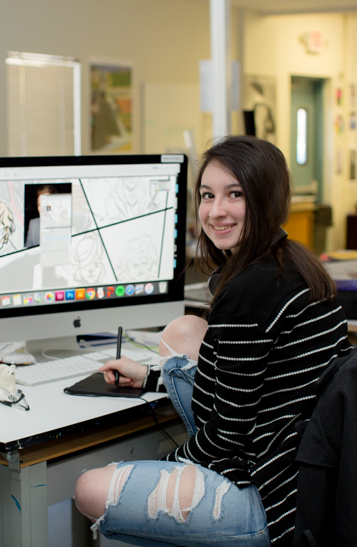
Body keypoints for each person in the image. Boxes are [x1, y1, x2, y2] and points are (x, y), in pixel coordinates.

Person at [74, 135, 353, 546]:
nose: (216, 211)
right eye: (207, 196)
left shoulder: (248, 292)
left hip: (272, 495)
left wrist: (165, 467)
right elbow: (247, 377)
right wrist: (152, 380)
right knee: (185, 330)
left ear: (265, 198)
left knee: (89, 488)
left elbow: (227, 436)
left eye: (234, 194)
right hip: (304, 460)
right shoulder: (295, 261)